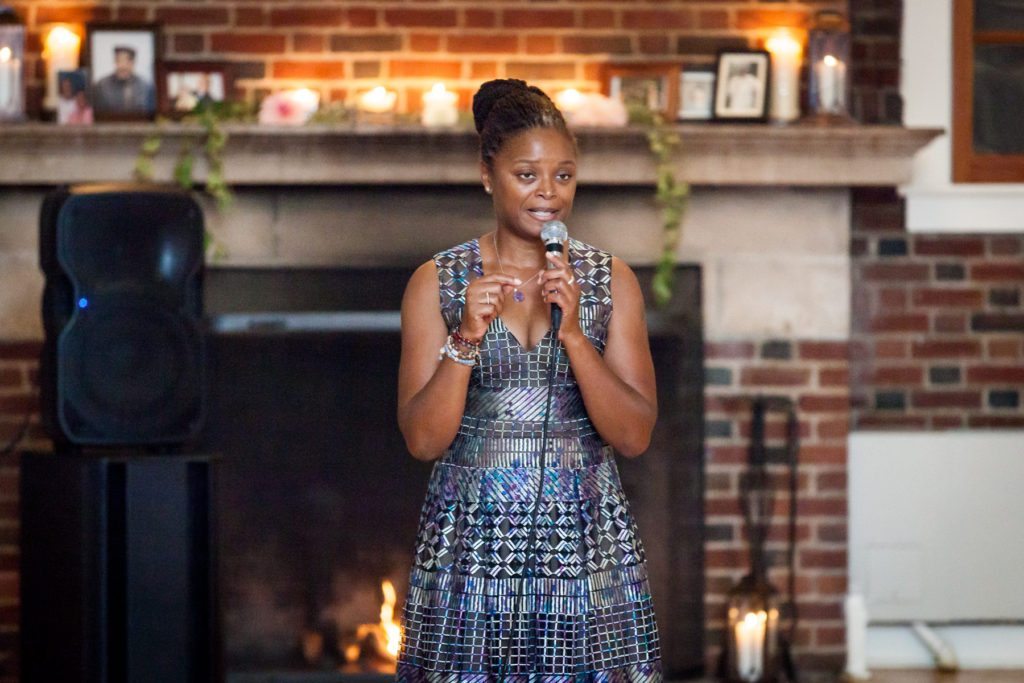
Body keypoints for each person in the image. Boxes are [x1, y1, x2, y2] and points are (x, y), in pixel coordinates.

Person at [396, 79, 662, 681]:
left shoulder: (610, 280)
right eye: (527, 175)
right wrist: (465, 334)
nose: (549, 194)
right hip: (472, 548)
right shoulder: (435, 283)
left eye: (564, 176)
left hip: (587, 547)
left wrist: (573, 334)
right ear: (487, 174)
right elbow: (423, 441)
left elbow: (634, 436)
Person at [92, 45, 154, 114]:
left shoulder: (145, 86)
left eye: (127, 61)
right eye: (119, 61)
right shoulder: (102, 85)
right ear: (115, 62)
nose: (123, 65)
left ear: (133, 63)